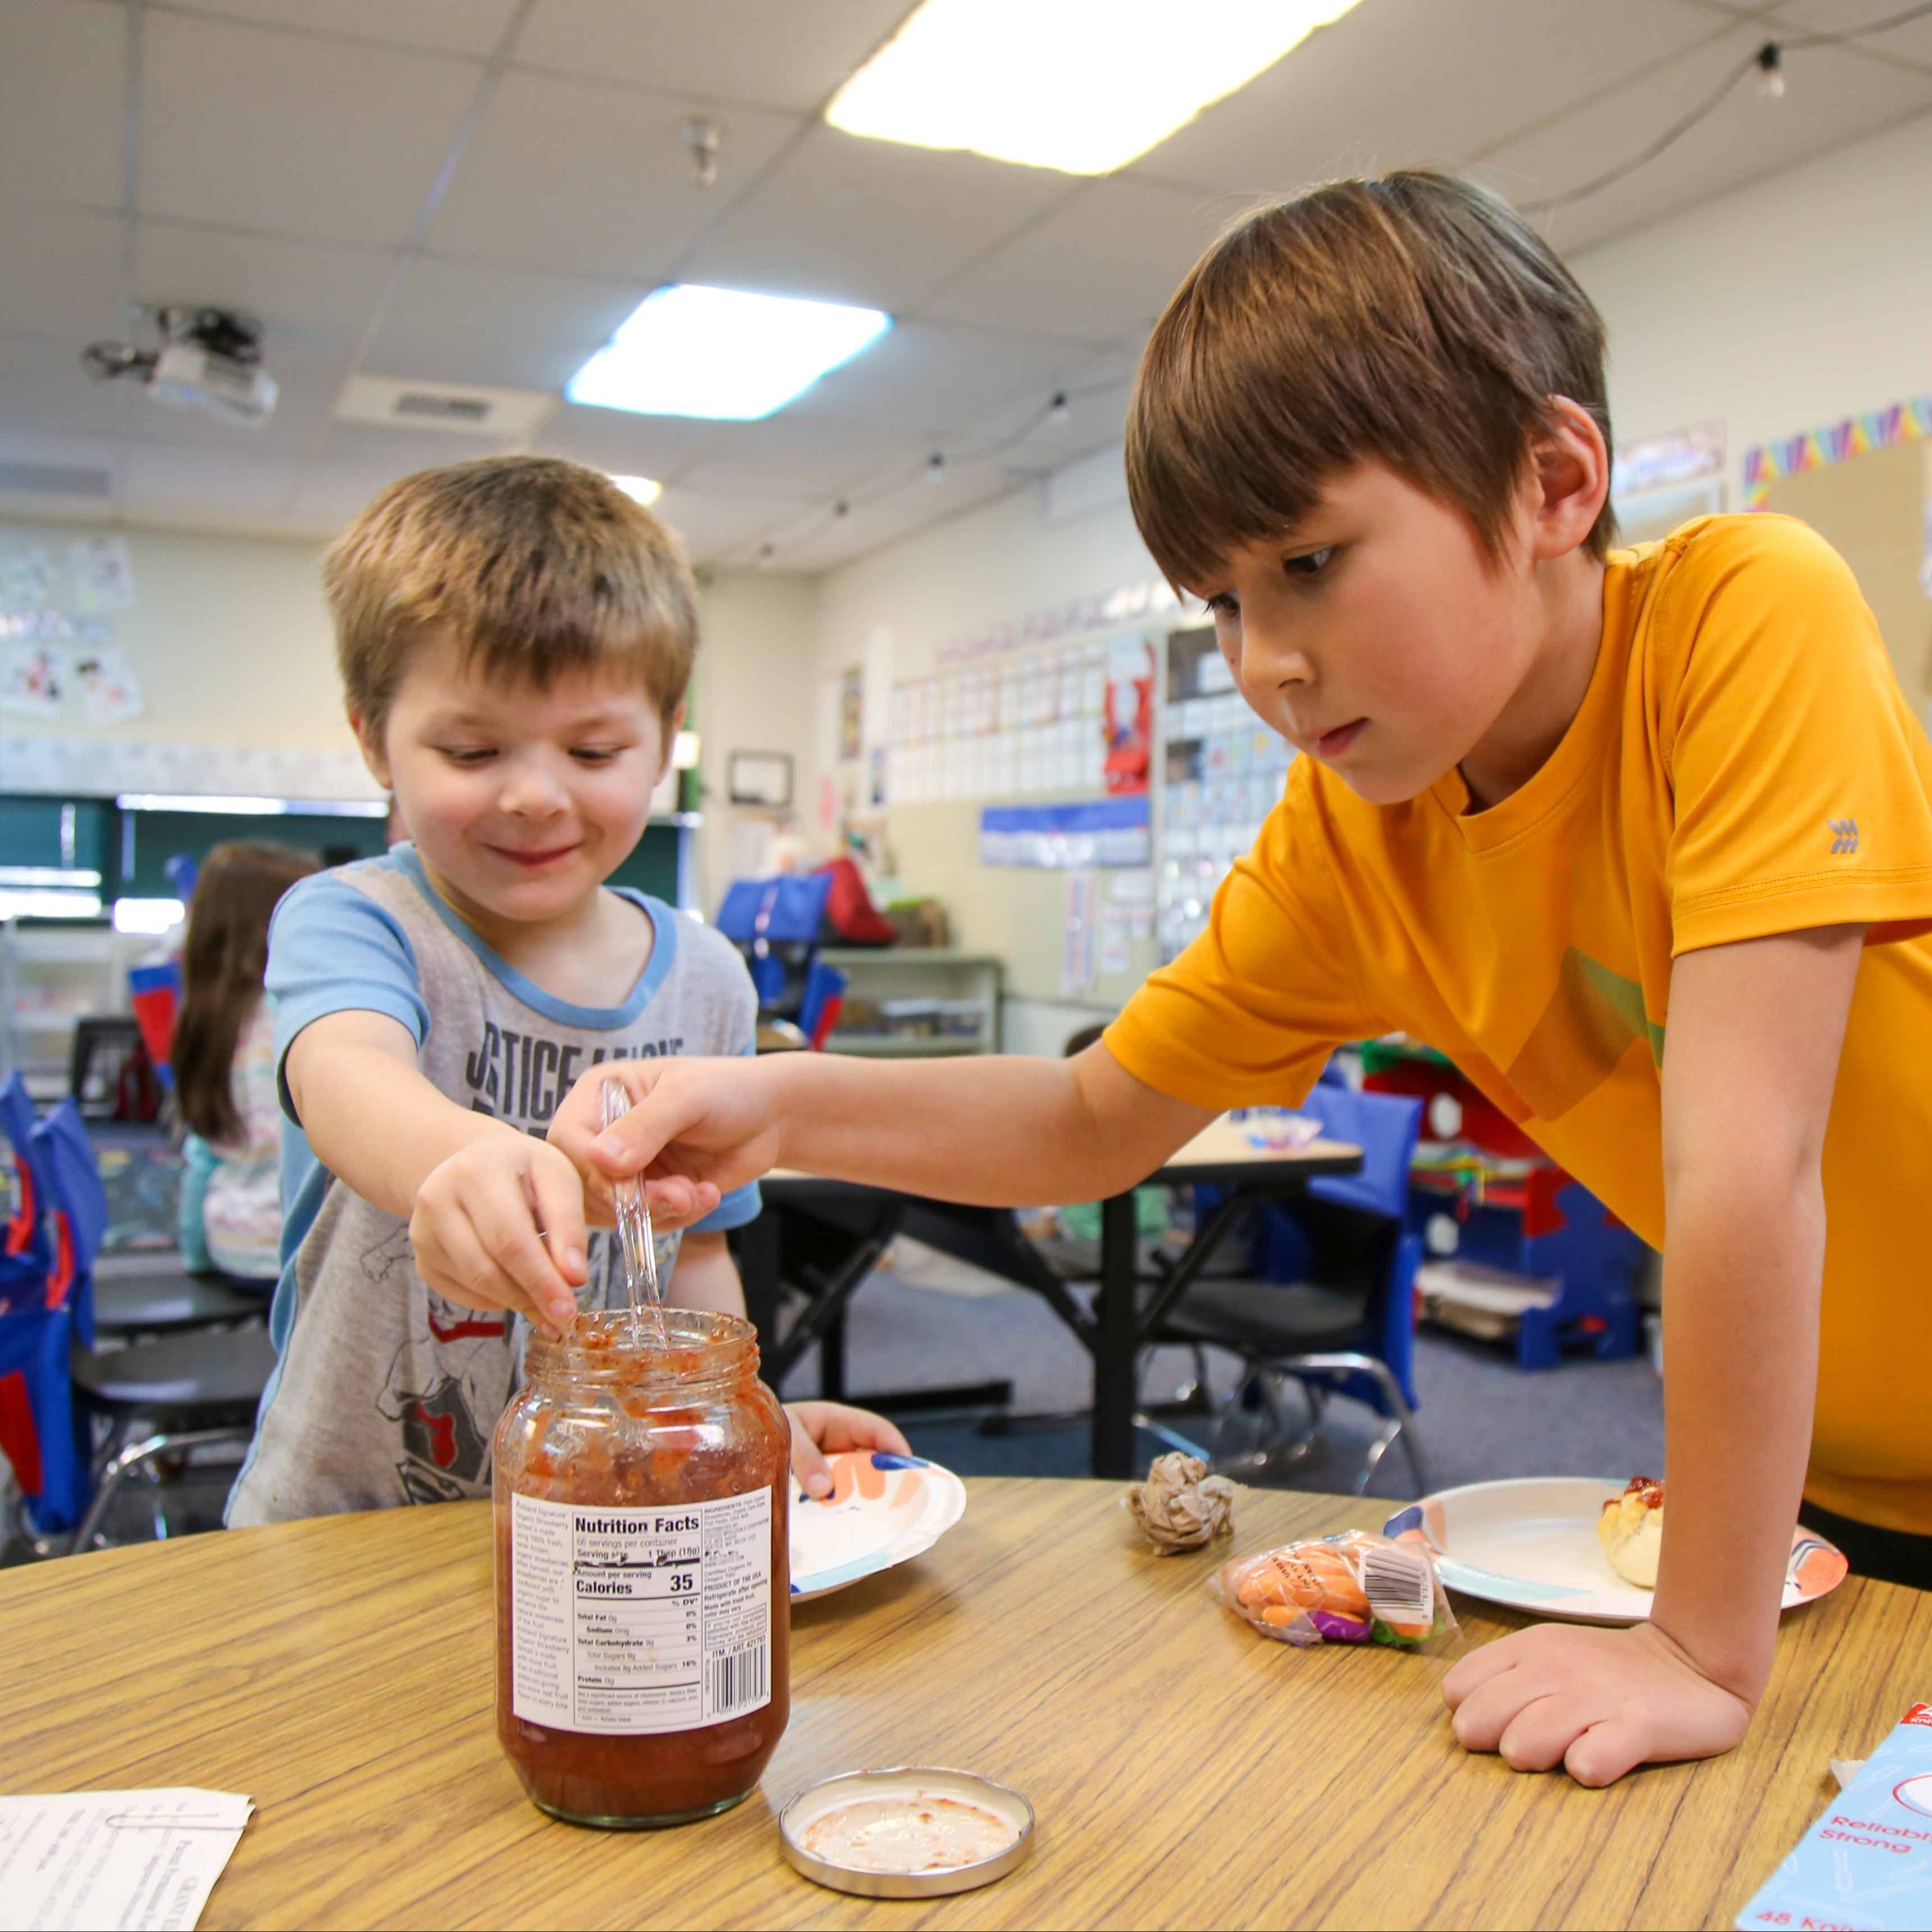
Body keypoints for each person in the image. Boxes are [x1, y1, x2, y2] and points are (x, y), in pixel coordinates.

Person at [539, 171, 1932, 1788]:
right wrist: (776, 1104)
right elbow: (1087, 1116)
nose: (1263, 657)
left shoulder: (1734, 618)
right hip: (1813, 1488)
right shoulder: (1354, 829)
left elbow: (1742, 1160)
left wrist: (1692, 1642)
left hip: (1743, 1559)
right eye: (1219, 599)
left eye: (1311, 561)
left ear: (1552, 481)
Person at [225, 455, 904, 1526]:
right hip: (348, 1520)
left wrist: (740, 1419)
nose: (535, 794)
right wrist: (462, 1157)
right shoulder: (354, 918)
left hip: (602, 1527)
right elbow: (346, 1070)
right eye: (471, 747)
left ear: (666, 739)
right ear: (371, 738)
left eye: (591, 748)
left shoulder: (706, 978)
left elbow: (702, 1253)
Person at [173, 842, 319, 1284]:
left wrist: (197, 1257)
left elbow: (204, 1157)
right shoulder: (291, 1021)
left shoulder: (209, 1020)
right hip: (293, 1253)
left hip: (229, 1245)